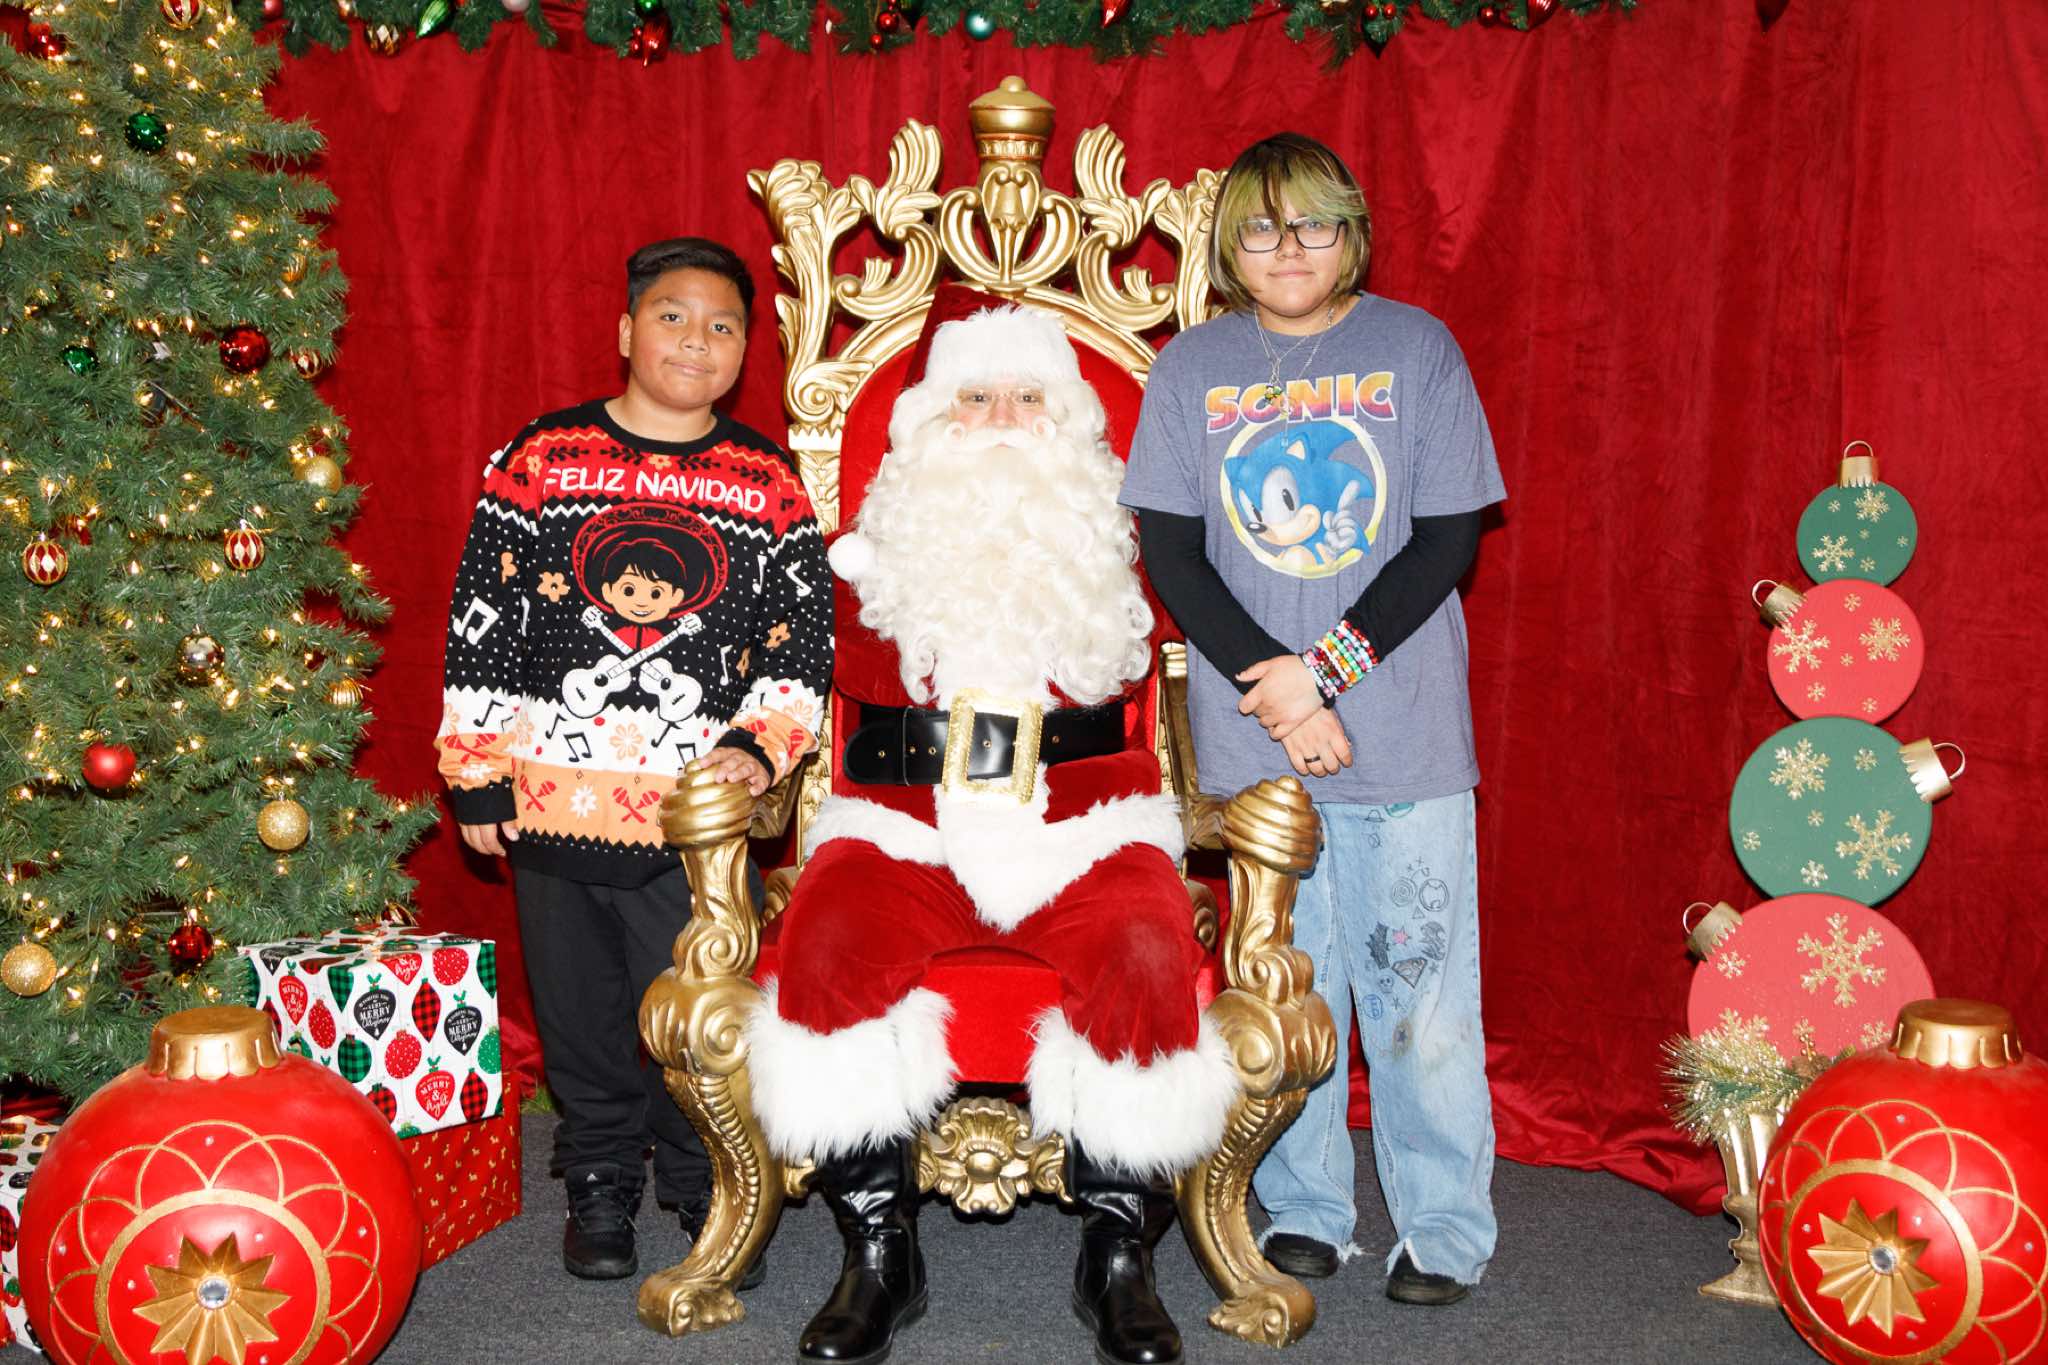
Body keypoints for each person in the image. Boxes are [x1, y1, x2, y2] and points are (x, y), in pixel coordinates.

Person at [754, 303, 1228, 1365]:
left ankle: (1117, 1251)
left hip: (1084, 827)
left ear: (1070, 421)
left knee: (1144, 947)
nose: (1003, 420)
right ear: (930, 421)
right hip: (903, 826)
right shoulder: (866, 557)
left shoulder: (1121, 548)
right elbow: (779, 671)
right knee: (828, 941)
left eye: (1027, 397)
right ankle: (878, 1250)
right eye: (973, 398)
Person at [1120, 133, 1505, 1308]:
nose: (1286, 249)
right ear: (1227, 248)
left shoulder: (1415, 349)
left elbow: (1444, 538)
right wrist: (1279, 691)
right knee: (1288, 987)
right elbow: (1171, 553)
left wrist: (1321, 674)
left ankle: (1442, 1225)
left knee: (1418, 994)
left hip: (1402, 730)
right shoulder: (1190, 367)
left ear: (1352, 235)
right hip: (1258, 741)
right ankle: (1303, 1208)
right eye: (1259, 228)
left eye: (1313, 225)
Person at [435, 236, 830, 1282]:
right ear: (624, 330)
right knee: (579, 1014)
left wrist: (759, 746)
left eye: (721, 325)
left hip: (691, 825)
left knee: (694, 1012)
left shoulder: (768, 481)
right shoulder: (539, 457)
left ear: (743, 350)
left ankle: (703, 1181)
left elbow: (800, 645)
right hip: (550, 803)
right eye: (672, 317)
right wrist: (475, 767)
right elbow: (483, 622)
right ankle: (599, 1177)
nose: (696, 340)